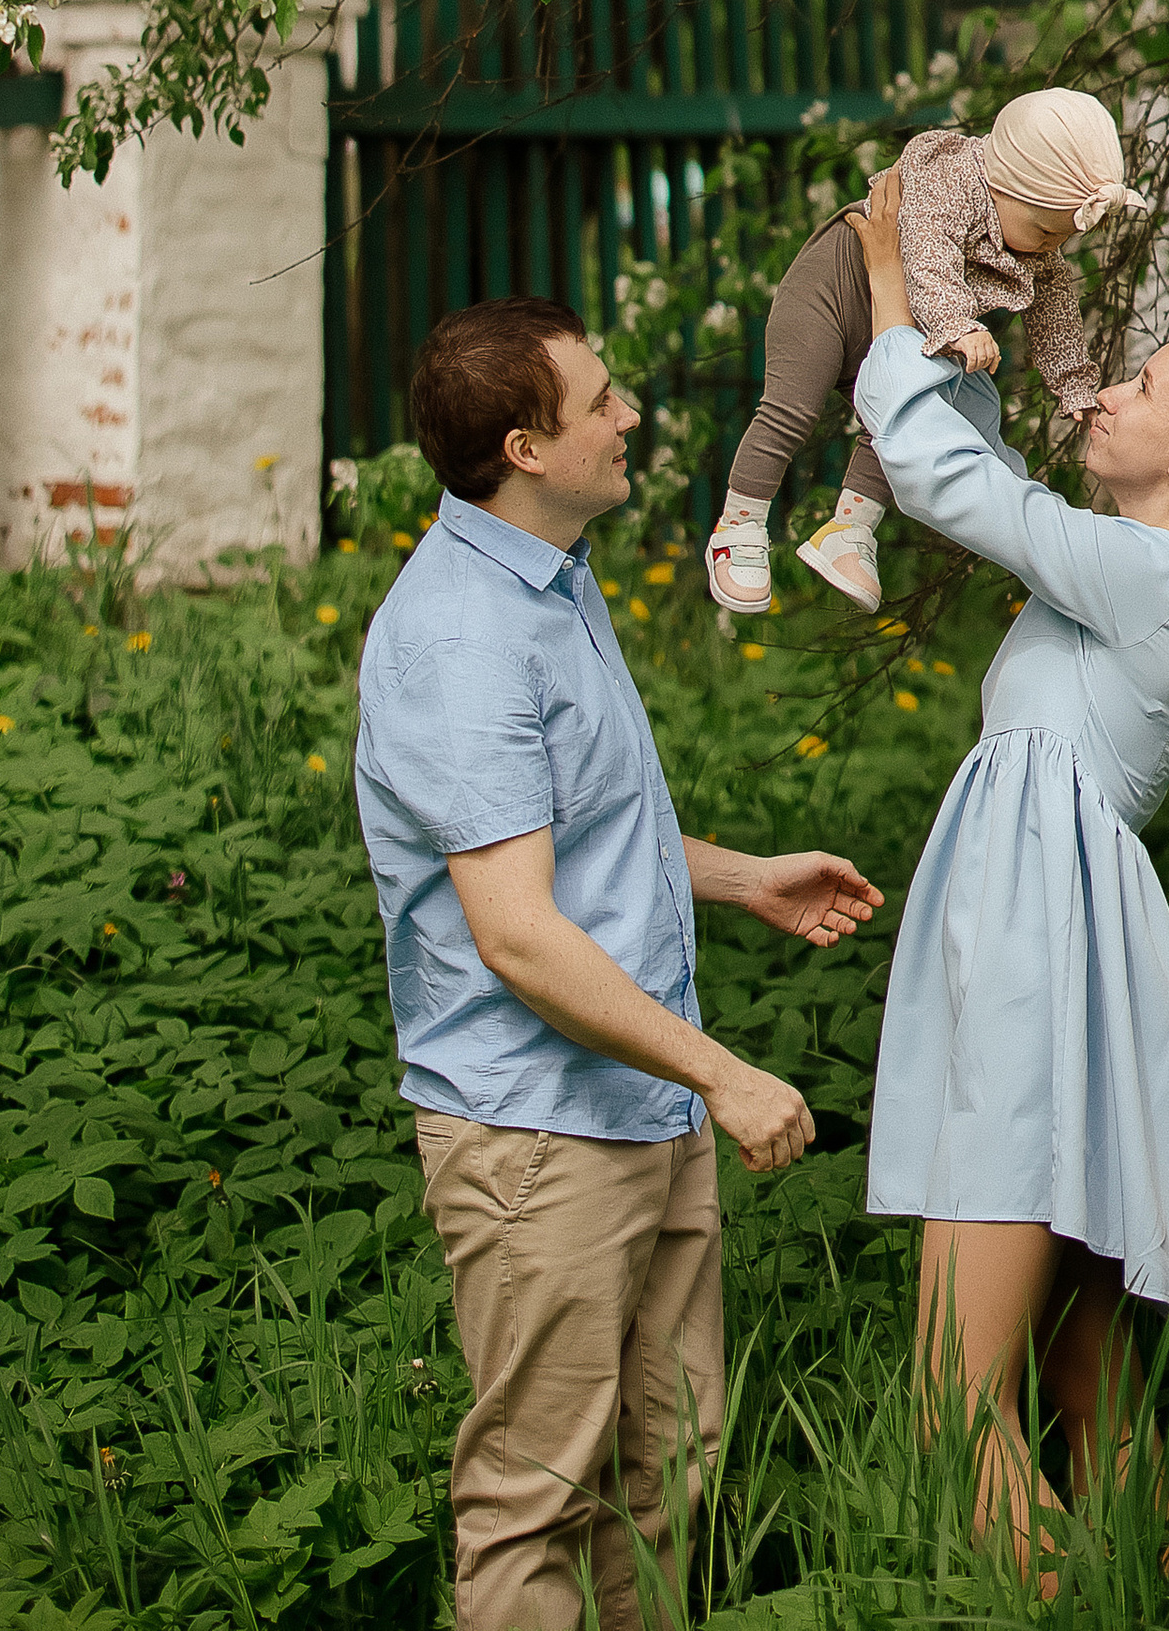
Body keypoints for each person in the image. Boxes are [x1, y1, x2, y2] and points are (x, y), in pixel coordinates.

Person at [353, 295, 882, 1631]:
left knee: (668, 1478)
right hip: (541, 1140)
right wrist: (727, 1075)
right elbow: (519, 933)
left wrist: (743, 876)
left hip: (637, 1107)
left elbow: (575, 841)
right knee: (537, 1505)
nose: (631, 415)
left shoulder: (553, 575)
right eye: (600, 401)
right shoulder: (464, 637)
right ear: (526, 448)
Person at [847, 164, 1169, 1586]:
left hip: (1036, 957)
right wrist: (960, 346)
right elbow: (994, 486)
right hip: (1066, 956)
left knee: (951, 1403)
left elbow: (943, 486)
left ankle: (1060, 1600)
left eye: (1140, 386)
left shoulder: (1154, 580)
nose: (1104, 393)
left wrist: (888, 278)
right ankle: (1147, 1592)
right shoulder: (1129, 567)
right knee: (1092, 1394)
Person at [708, 87, 1145, 621]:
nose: (1051, 248)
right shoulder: (952, 180)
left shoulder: (1037, 247)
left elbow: (1055, 309)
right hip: (833, 294)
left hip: (896, 323)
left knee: (898, 416)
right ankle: (739, 523)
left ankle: (848, 530)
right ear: (1007, 186)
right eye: (1044, 231)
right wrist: (957, 325)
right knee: (790, 409)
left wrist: (1073, 384)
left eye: (1060, 237)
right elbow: (927, 250)